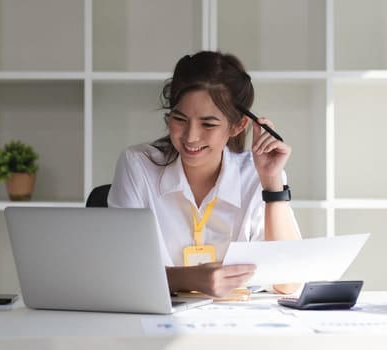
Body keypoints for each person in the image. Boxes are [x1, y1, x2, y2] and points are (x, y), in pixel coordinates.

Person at [107, 51, 301, 297]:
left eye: (208, 124)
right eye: (179, 119)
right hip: (159, 323)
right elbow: (122, 273)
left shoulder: (256, 175)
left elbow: (289, 282)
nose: (191, 137)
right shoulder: (138, 165)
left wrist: (272, 184)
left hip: (240, 325)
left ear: (238, 125)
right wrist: (188, 279)